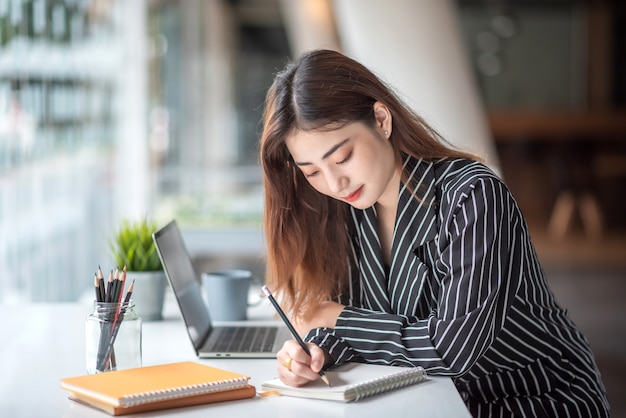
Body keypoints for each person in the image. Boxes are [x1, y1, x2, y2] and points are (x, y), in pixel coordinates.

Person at [258, 49, 610, 418]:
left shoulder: (472, 197)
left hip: (536, 399)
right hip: (435, 401)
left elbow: (452, 348)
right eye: (312, 172)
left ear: (380, 120)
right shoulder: (346, 211)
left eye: (342, 156)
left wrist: (336, 318)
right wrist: (312, 352)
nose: (334, 182)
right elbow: (365, 324)